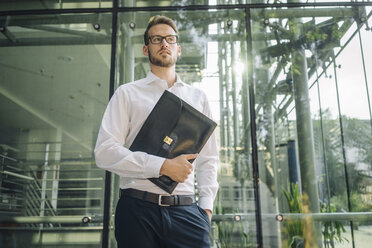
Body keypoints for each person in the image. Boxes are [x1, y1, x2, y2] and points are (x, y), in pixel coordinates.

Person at [94, 15, 219, 248]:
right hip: (136, 211)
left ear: (178, 48)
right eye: (157, 39)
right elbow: (105, 152)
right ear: (145, 48)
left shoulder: (198, 98)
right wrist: (162, 166)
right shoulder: (127, 93)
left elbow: (209, 159)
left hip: (188, 212)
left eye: (170, 39)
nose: (164, 44)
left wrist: (206, 210)